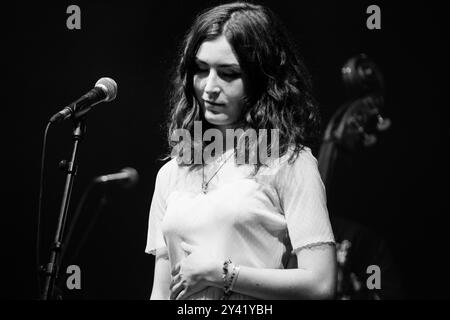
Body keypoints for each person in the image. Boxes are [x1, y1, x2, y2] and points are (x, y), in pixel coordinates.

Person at [145, 1, 336, 300]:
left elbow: (320, 284)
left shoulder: (289, 162)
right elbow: (160, 291)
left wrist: (222, 273)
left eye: (228, 74)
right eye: (201, 69)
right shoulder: (172, 172)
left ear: (262, 79)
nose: (209, 87)